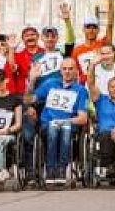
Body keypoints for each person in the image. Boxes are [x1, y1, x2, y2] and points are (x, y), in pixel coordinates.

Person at [33, 56, 90, 184]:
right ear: (60, 70)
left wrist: (65, 121)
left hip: (68, 125)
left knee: (64, 128)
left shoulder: (81, 90)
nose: (67, 71)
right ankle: (50, 168)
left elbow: (83, 119)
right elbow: (28, 99)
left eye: (71, 69)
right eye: (64, 69)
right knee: (53, 127)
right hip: (48, 124)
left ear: (76, 71)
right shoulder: (50, 84)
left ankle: (61, 169)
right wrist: (32, 80)